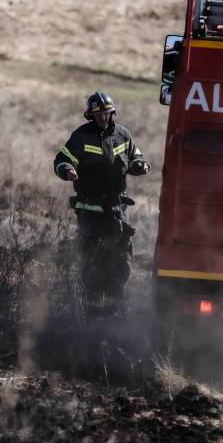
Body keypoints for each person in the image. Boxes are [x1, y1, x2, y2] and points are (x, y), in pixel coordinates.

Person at [53, 91, 149, 313]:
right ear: (91, 116)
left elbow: (136, 157)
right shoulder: (81, 137)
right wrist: (67, 170)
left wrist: (140, 165)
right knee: (91, 260)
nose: (103, 118)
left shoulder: (123, 134)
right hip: (91, 210)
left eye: (106, 113)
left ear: (112, 113)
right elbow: (62, 159)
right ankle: (90, 309)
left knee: (121, 258)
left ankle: (116, 309)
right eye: (98, 115)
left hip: (117, 211)